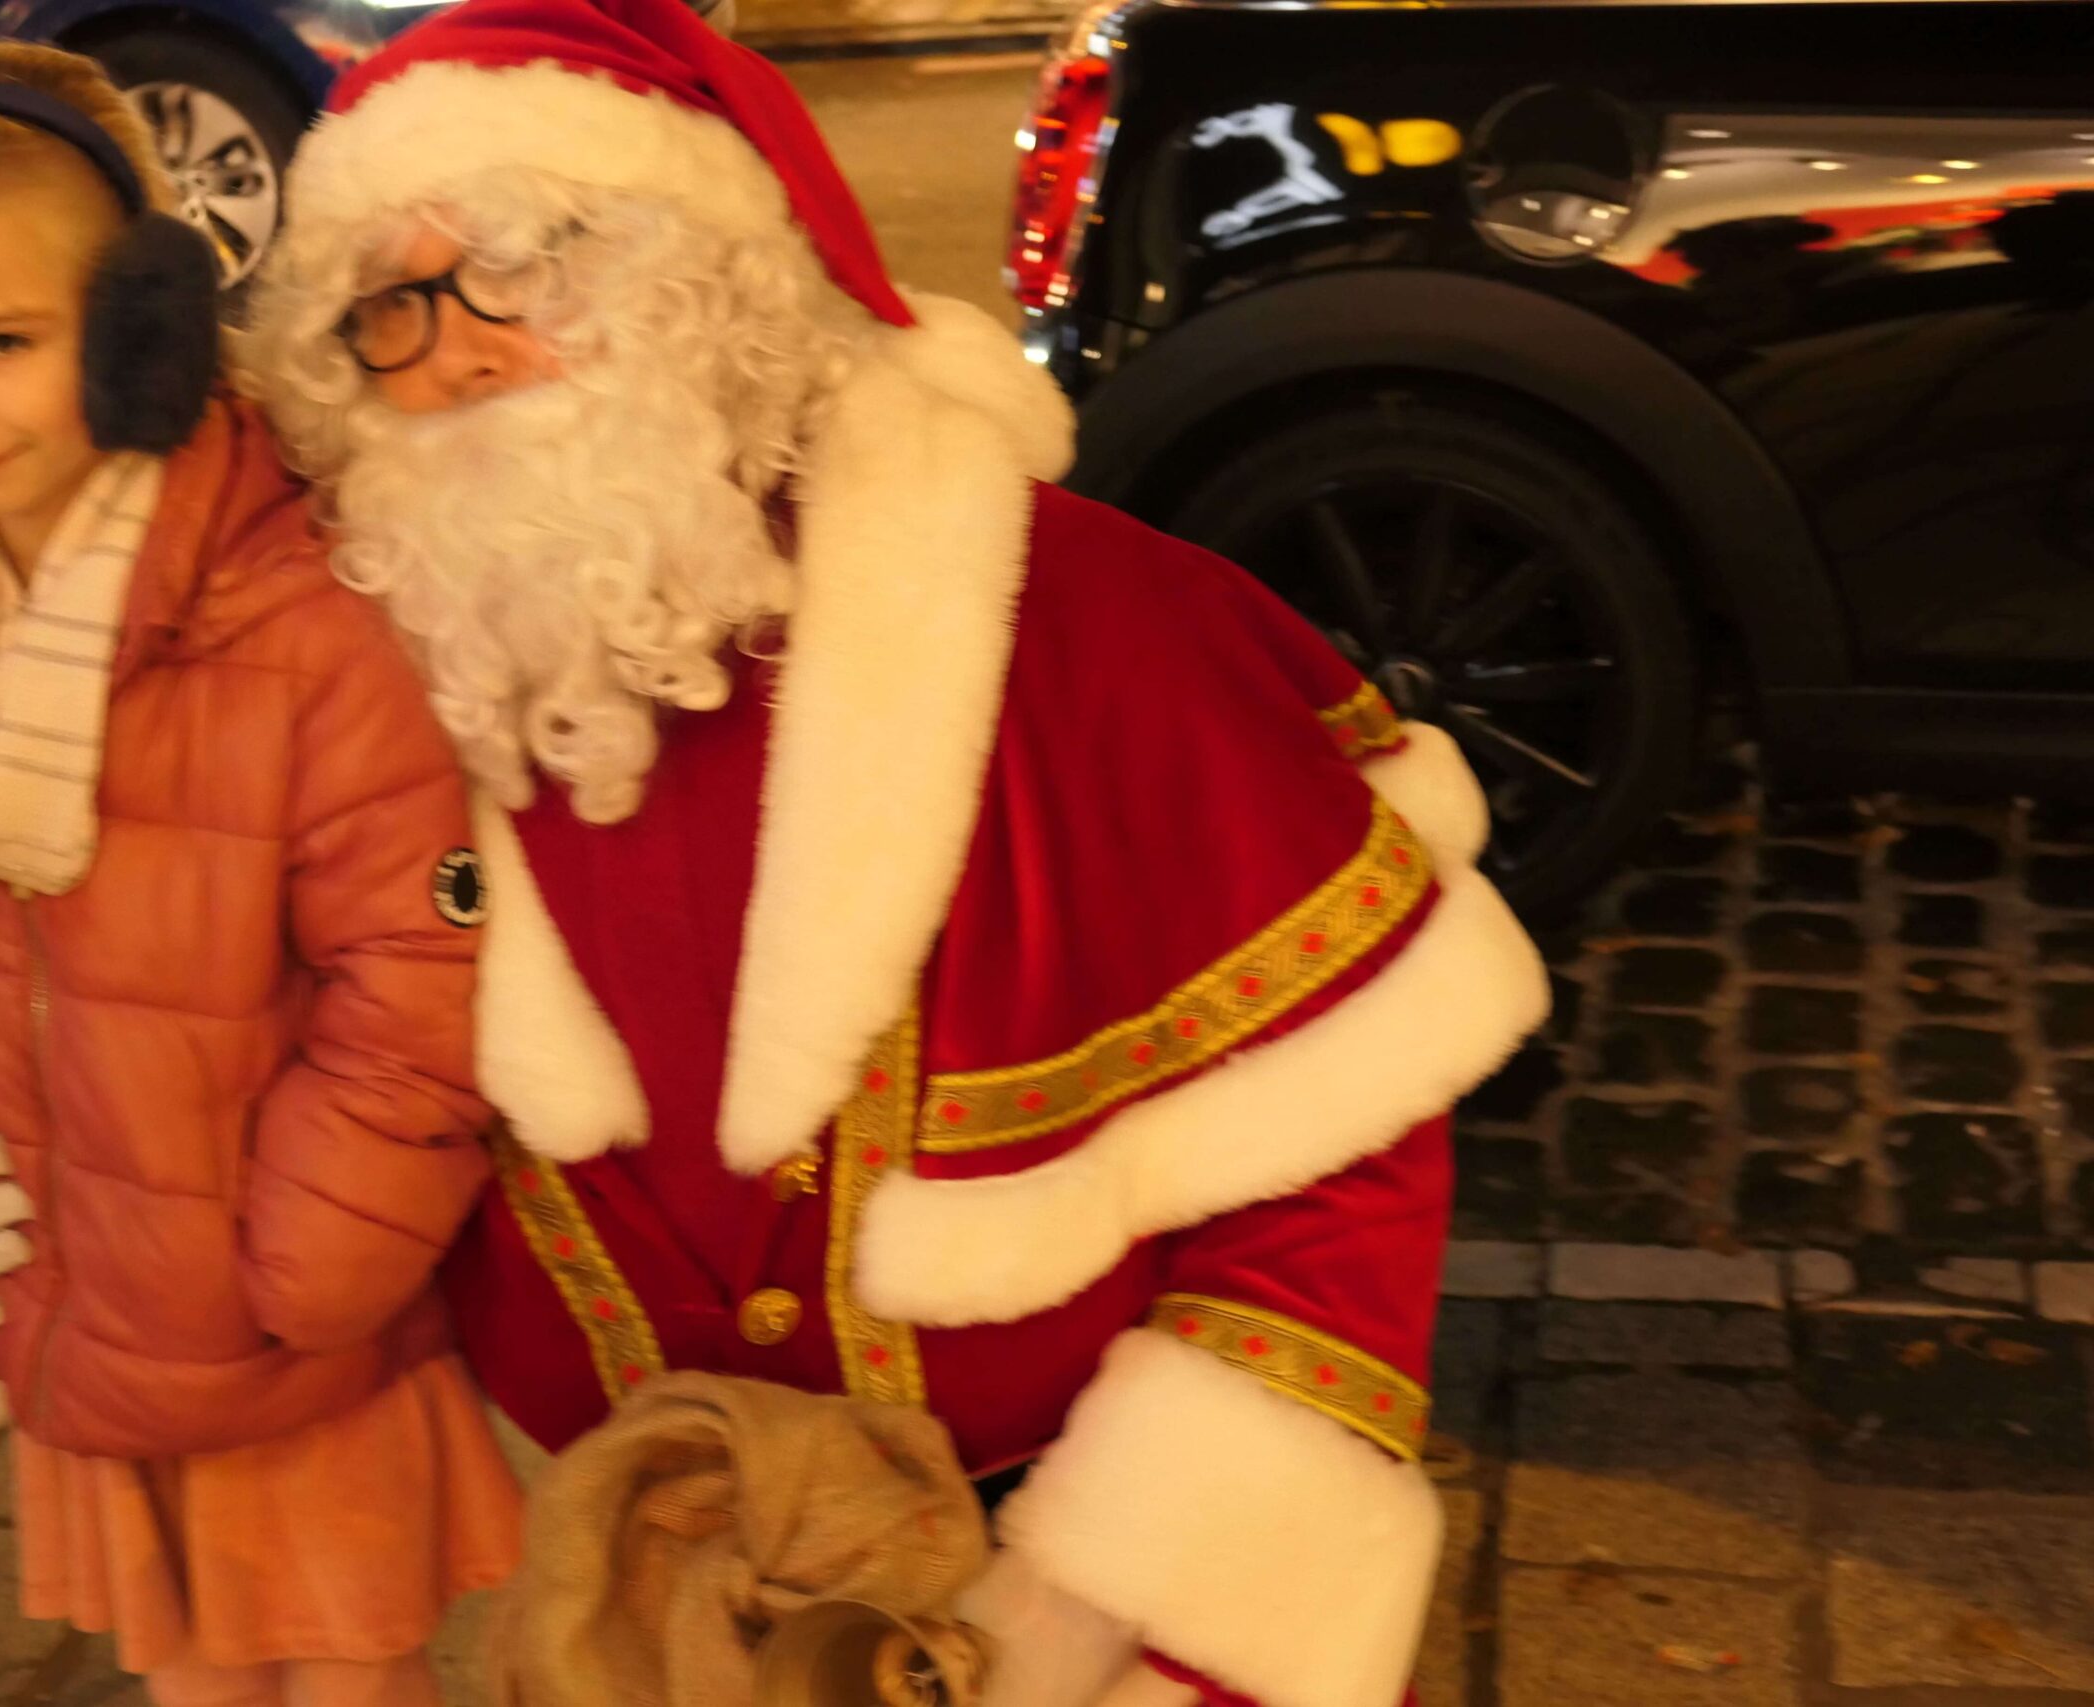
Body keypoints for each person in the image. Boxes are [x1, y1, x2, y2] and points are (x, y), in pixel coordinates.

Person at [234, 2, 1550, 1705]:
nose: (459, 354)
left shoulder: (1081, 627)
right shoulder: (364, 683)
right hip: (646, 1595)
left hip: (1072, 1599)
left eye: (513, 266)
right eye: (390, 307)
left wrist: (1102, 1622)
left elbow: (1342, 1151)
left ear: (692, 273)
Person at [0, 41, 520, 1707]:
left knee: (352, 1674)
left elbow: (418, 971)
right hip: (71, 1284)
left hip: (289, 1319)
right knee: (185, 1672)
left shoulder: (302, 619)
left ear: (138, 332)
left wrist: (305, 1260)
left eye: (3, 344)